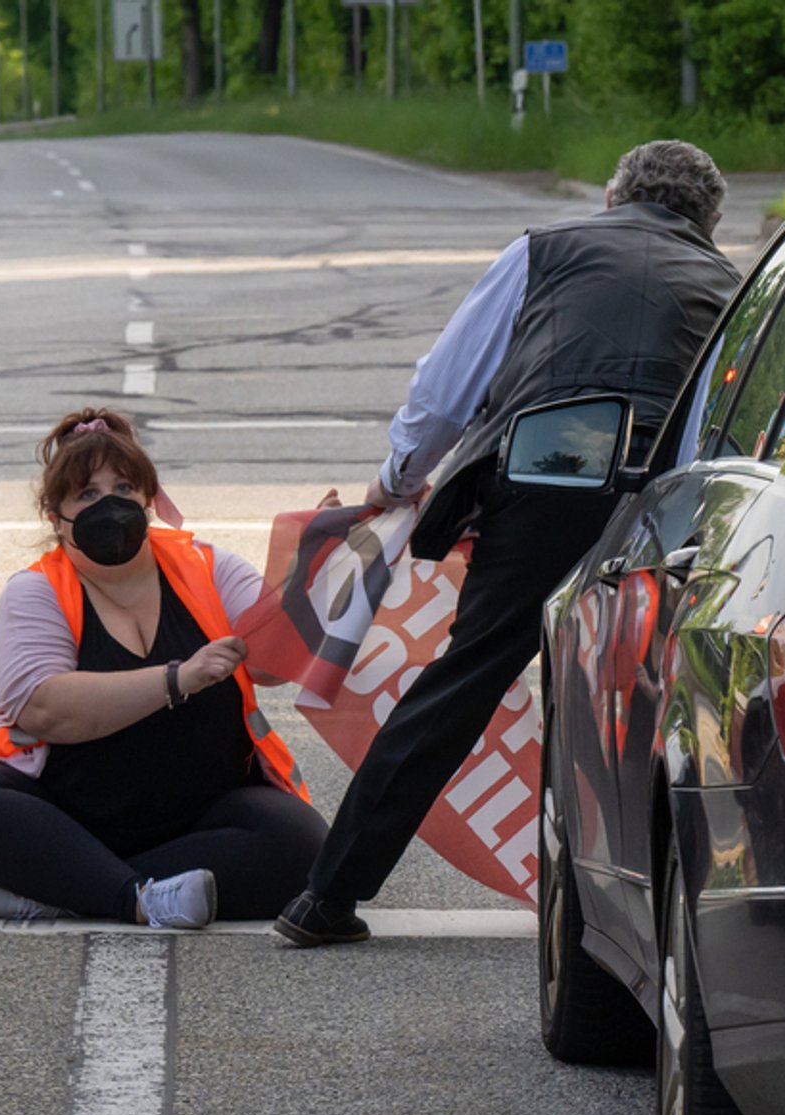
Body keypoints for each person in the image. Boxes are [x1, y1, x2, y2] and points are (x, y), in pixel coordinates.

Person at [274, 140, 743, 947]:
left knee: (463, 681)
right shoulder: (730, 288)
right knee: (649, 702)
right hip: (659, 508)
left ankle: (326, 895)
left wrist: (399, 475)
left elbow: (446, 385)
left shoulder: (543, 251)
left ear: (610, 197)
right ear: (711, 222)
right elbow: (722, 426)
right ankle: (646, 913)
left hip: (545, 483)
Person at [0, 408, 328, 928]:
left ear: (149, 499)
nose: (109, 505)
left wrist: (311, 571)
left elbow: (275, 663)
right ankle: (136, 897)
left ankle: (66, 889)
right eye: (87, 495)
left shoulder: (208, 566)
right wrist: (177, 678)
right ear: (56, 517)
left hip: (204, 813)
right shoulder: (35, 591)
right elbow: (45, 709)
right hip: (68, 815)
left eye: (123, 488)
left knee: (304, 845)